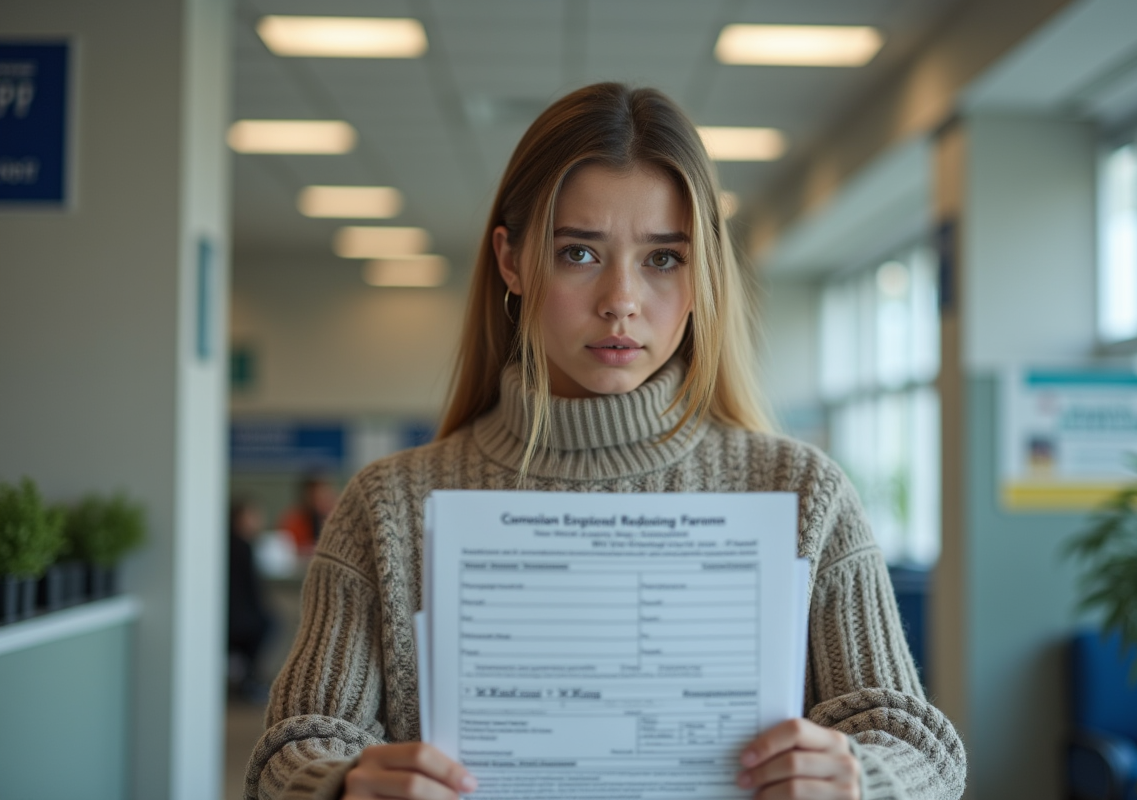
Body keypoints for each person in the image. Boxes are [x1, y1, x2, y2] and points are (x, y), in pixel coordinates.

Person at [245, 83, 967, 800]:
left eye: (662, 259)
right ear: (512, 260)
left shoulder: (801, 493)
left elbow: (914, 742)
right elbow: (293, 746)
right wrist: (341, 785)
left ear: (702, 272)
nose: (620, 298)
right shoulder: (391, 506)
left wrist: (861, 779)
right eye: (579, 253)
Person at [227, 498, 276, 703]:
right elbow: (253, 592)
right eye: (252, 515)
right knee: (269, 622)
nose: (257, 520)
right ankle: (250, 677)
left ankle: (248, 676)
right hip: (238, 619)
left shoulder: (229, 544)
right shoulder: (243, 548)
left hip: (232, 615)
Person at [277, 474, 337, 555]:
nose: (323, 499)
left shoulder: (337, 521)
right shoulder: (293, 521)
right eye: (317, 495)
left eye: (326, 494)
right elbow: (285, 550)